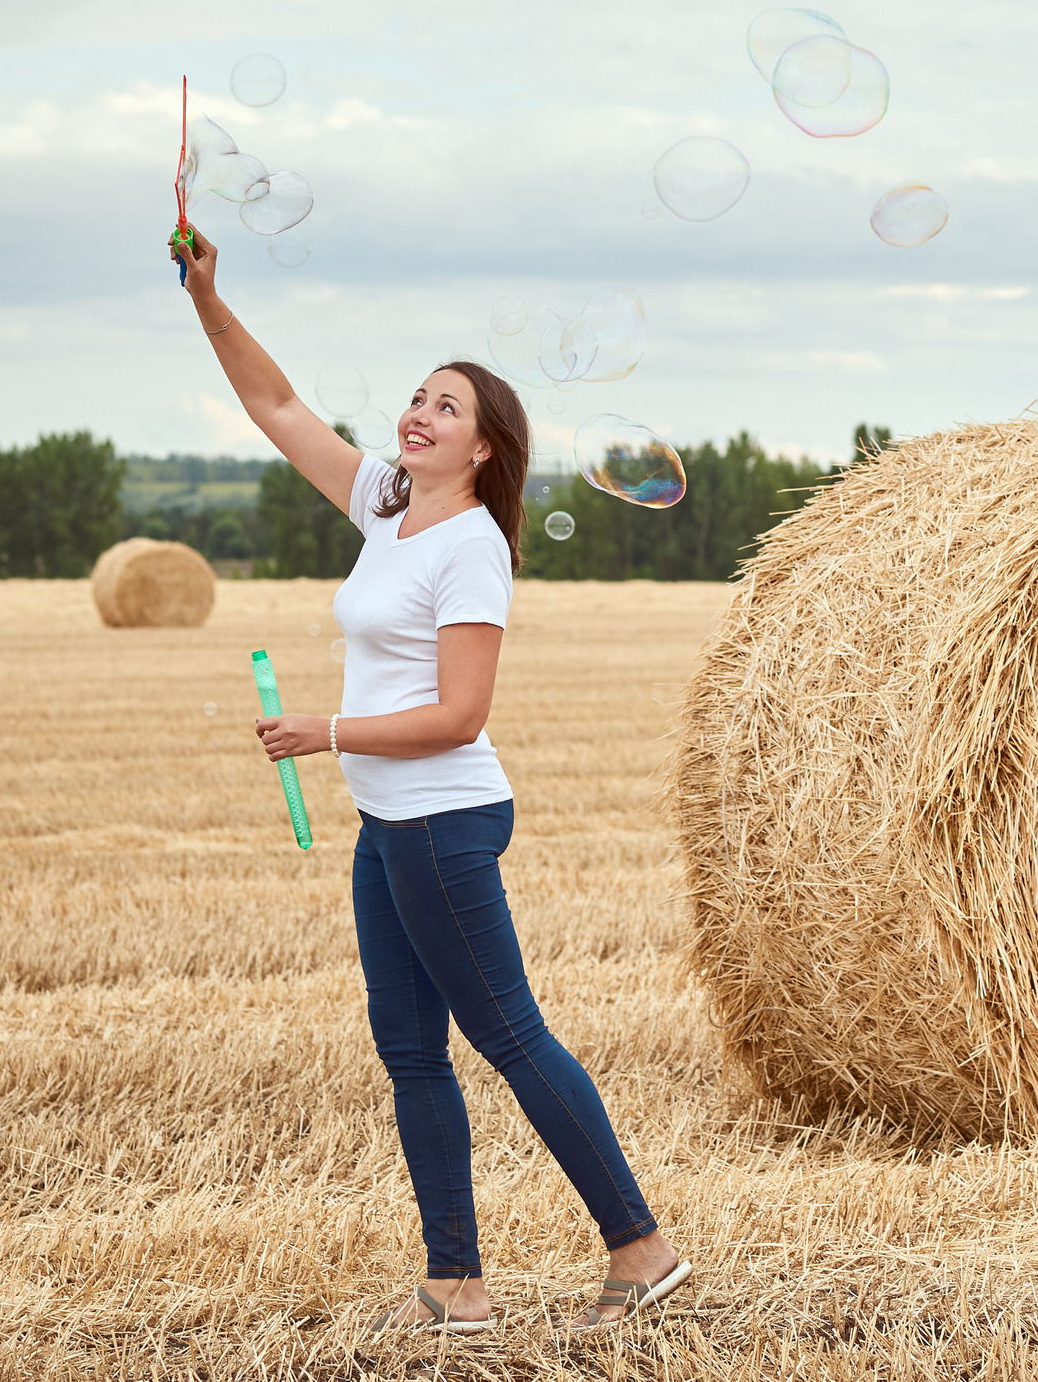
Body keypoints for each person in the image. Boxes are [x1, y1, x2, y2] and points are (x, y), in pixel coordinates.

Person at [172, 228, 689, 1337]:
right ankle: (456, 1285)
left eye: (446, 406)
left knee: (509, 1035)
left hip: (446, 820)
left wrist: (328, 727)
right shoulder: (386, 504)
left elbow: (461, 714)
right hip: (388, 822)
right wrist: (207, 295)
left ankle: (640, 1246)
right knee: (411, 1051)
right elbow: (274, 404)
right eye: (417, 396)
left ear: (488, 448)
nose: (418, 412)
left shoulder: (471, 549)